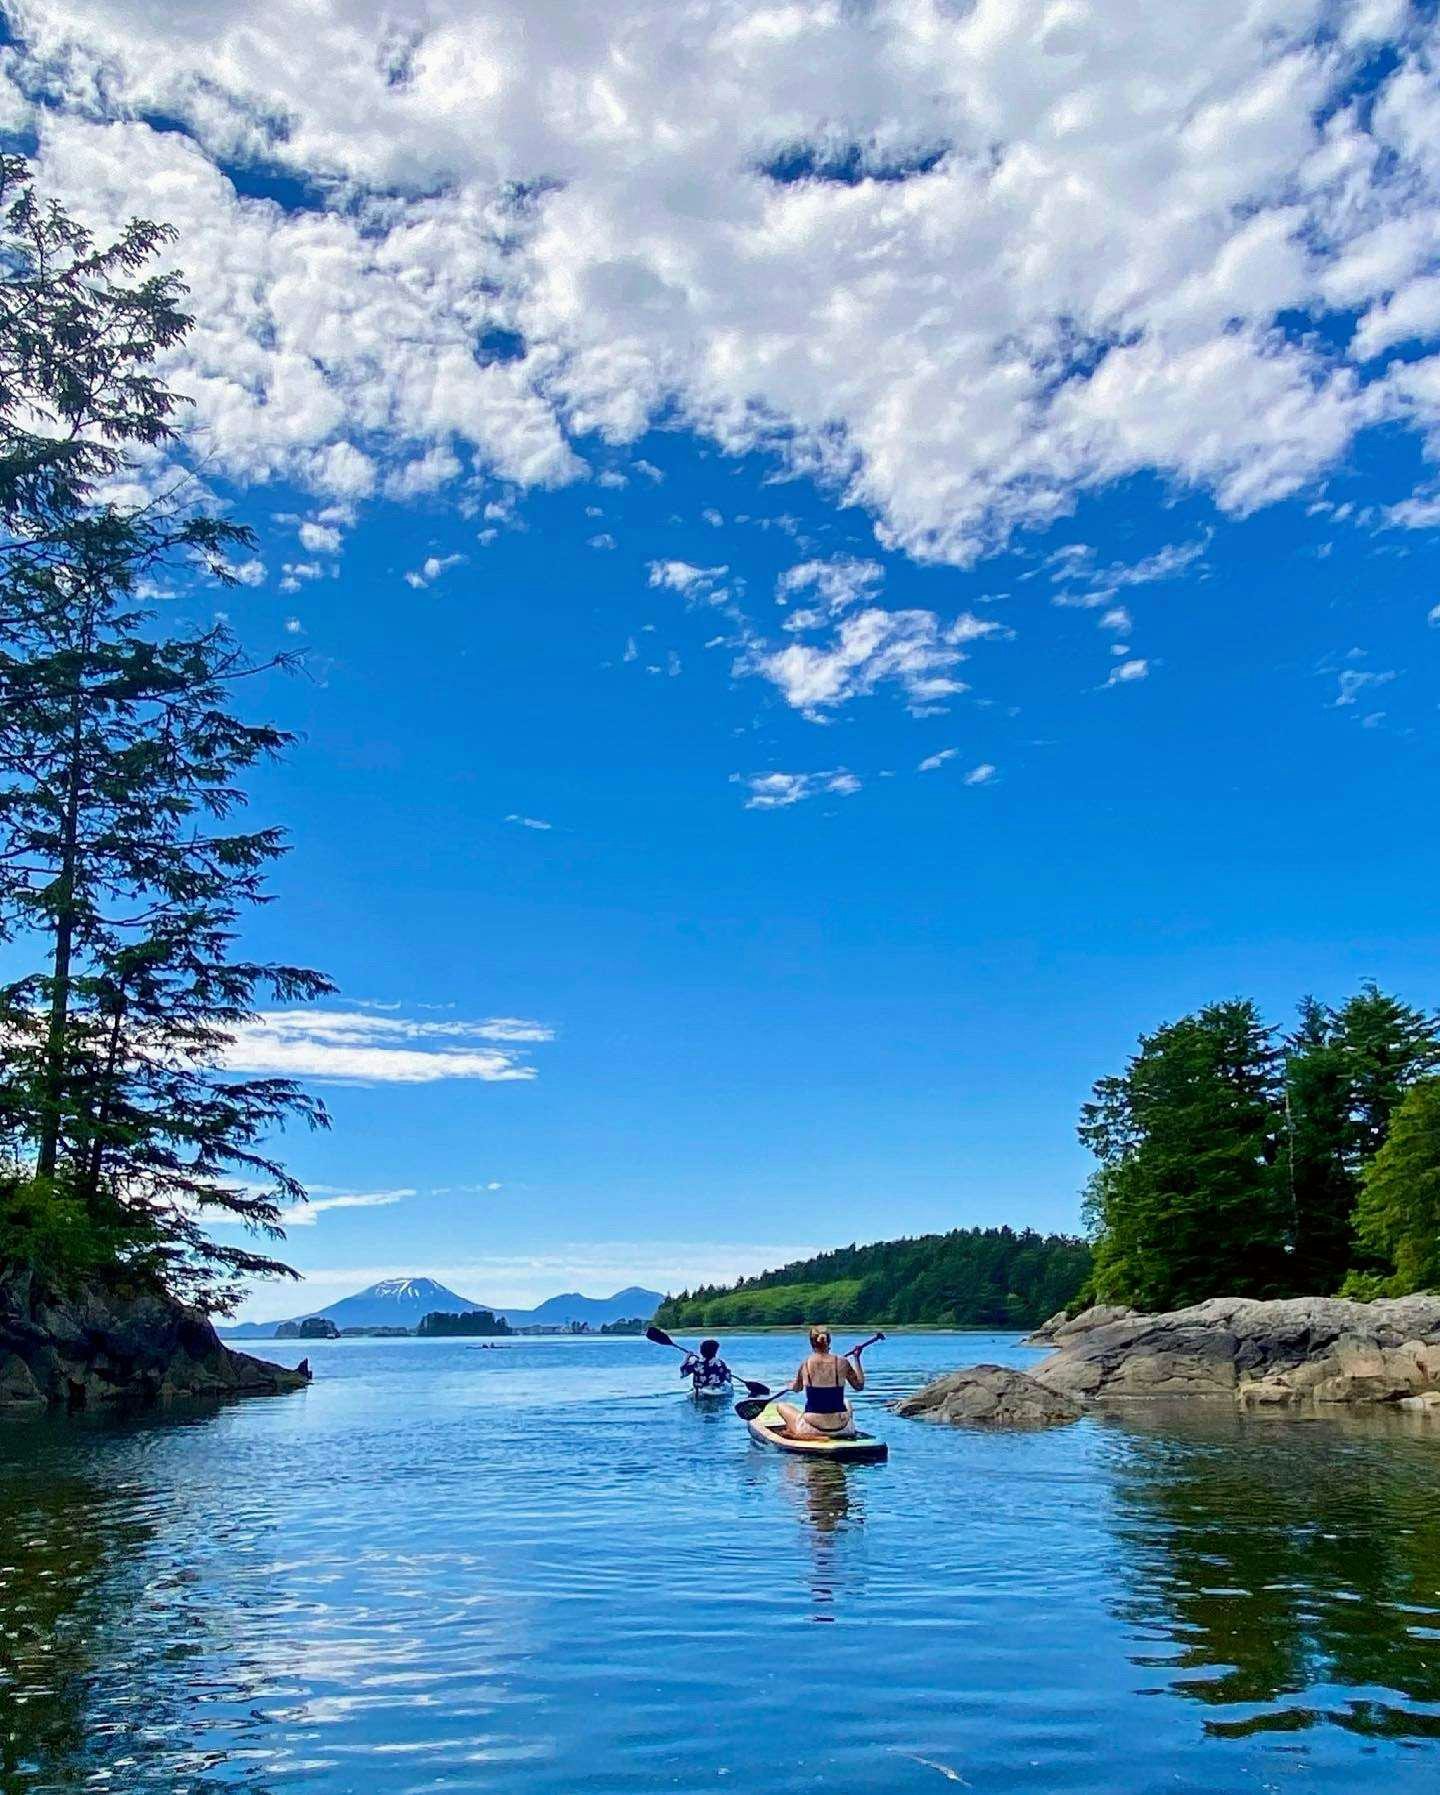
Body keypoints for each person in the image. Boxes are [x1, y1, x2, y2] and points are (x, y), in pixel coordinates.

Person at [777, 1325, 863, 1439]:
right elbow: (859, 1386)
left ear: (811, 1343)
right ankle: (831, 1434)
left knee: (781, 1406)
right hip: (844, 1428)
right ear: (829, 1341)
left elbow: (797, 1388)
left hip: (812, 1428)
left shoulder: (805, 1364)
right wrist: (856, 1358)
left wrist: (791, 1386)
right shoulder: (843, 1361)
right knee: (847, 1402)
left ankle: (798, 1434)